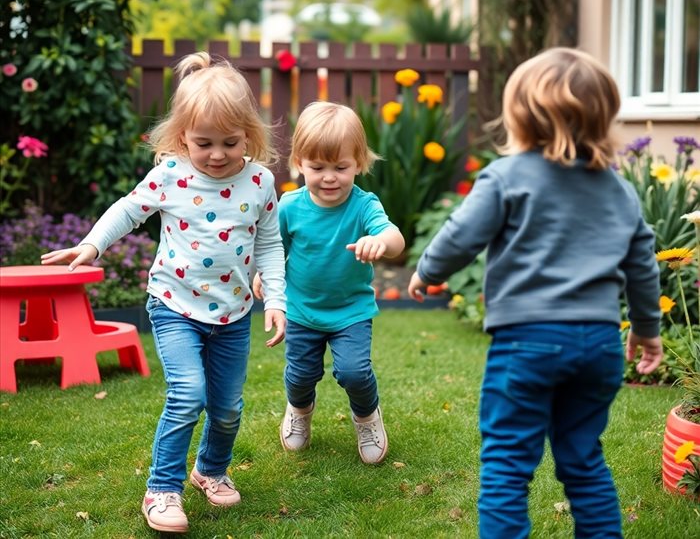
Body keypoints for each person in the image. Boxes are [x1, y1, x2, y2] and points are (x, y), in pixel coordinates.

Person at [407, 47, 662, 538]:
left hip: (528, 343)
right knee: (584, 461)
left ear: (521, 117)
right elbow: (643, 265)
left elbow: (462, 234)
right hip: (600, 346)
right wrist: (647, 331)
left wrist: (427, 270)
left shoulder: (507, 176)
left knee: (507, 464)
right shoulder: (618, 189)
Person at [41, 52, 287, 534]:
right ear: (181, 137)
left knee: (228, 406)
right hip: (174, 305)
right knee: (187, 393)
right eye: (203, 143)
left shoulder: (259, 181)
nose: (217, 154)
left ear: (250, 136)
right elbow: (128, 210)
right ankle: (162, 488)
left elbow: (270, 243)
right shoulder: (171, 174)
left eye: (230, 142)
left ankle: (210, 471)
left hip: (234, 315)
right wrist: (93, 243)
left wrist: (275, 299)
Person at [254, 101, 404, 464]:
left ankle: (367, 417)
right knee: (300, 375)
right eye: (317, 167)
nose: (330, 177)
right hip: (302, 309)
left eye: (341, 167)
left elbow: (395, 238)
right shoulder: (290, 206)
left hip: (350, 310)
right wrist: (263, 274)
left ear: (359, 163)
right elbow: (275, 248)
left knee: (354, 372)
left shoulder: (364, 206)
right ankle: (300, 411)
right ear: (299, 163)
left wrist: (379, 242)